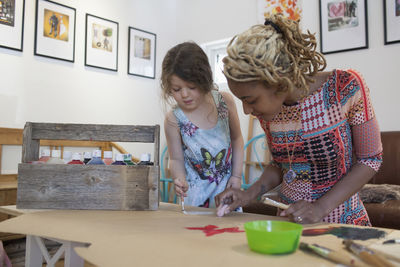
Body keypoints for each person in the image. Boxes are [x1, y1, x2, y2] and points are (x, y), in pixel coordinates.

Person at [215, 14, 382, 225]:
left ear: (279, 83)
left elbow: (370, 160)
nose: (247, 110)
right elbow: (280, 164)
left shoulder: (345, 88)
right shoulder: (270, 113)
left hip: (341, 223)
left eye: (250, 100)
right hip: (288, 224)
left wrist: (320, 207)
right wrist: (249, 194)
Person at [161, 42, 244, 208]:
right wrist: (179, 178)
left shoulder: (224, 102)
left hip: (226, 192)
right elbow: (176, 158)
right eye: (176, 89)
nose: (184, 95)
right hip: (195, 198)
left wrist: (236, 176)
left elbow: (236, 139)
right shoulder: (173, 119)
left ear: (204, 80)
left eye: (191, 87)